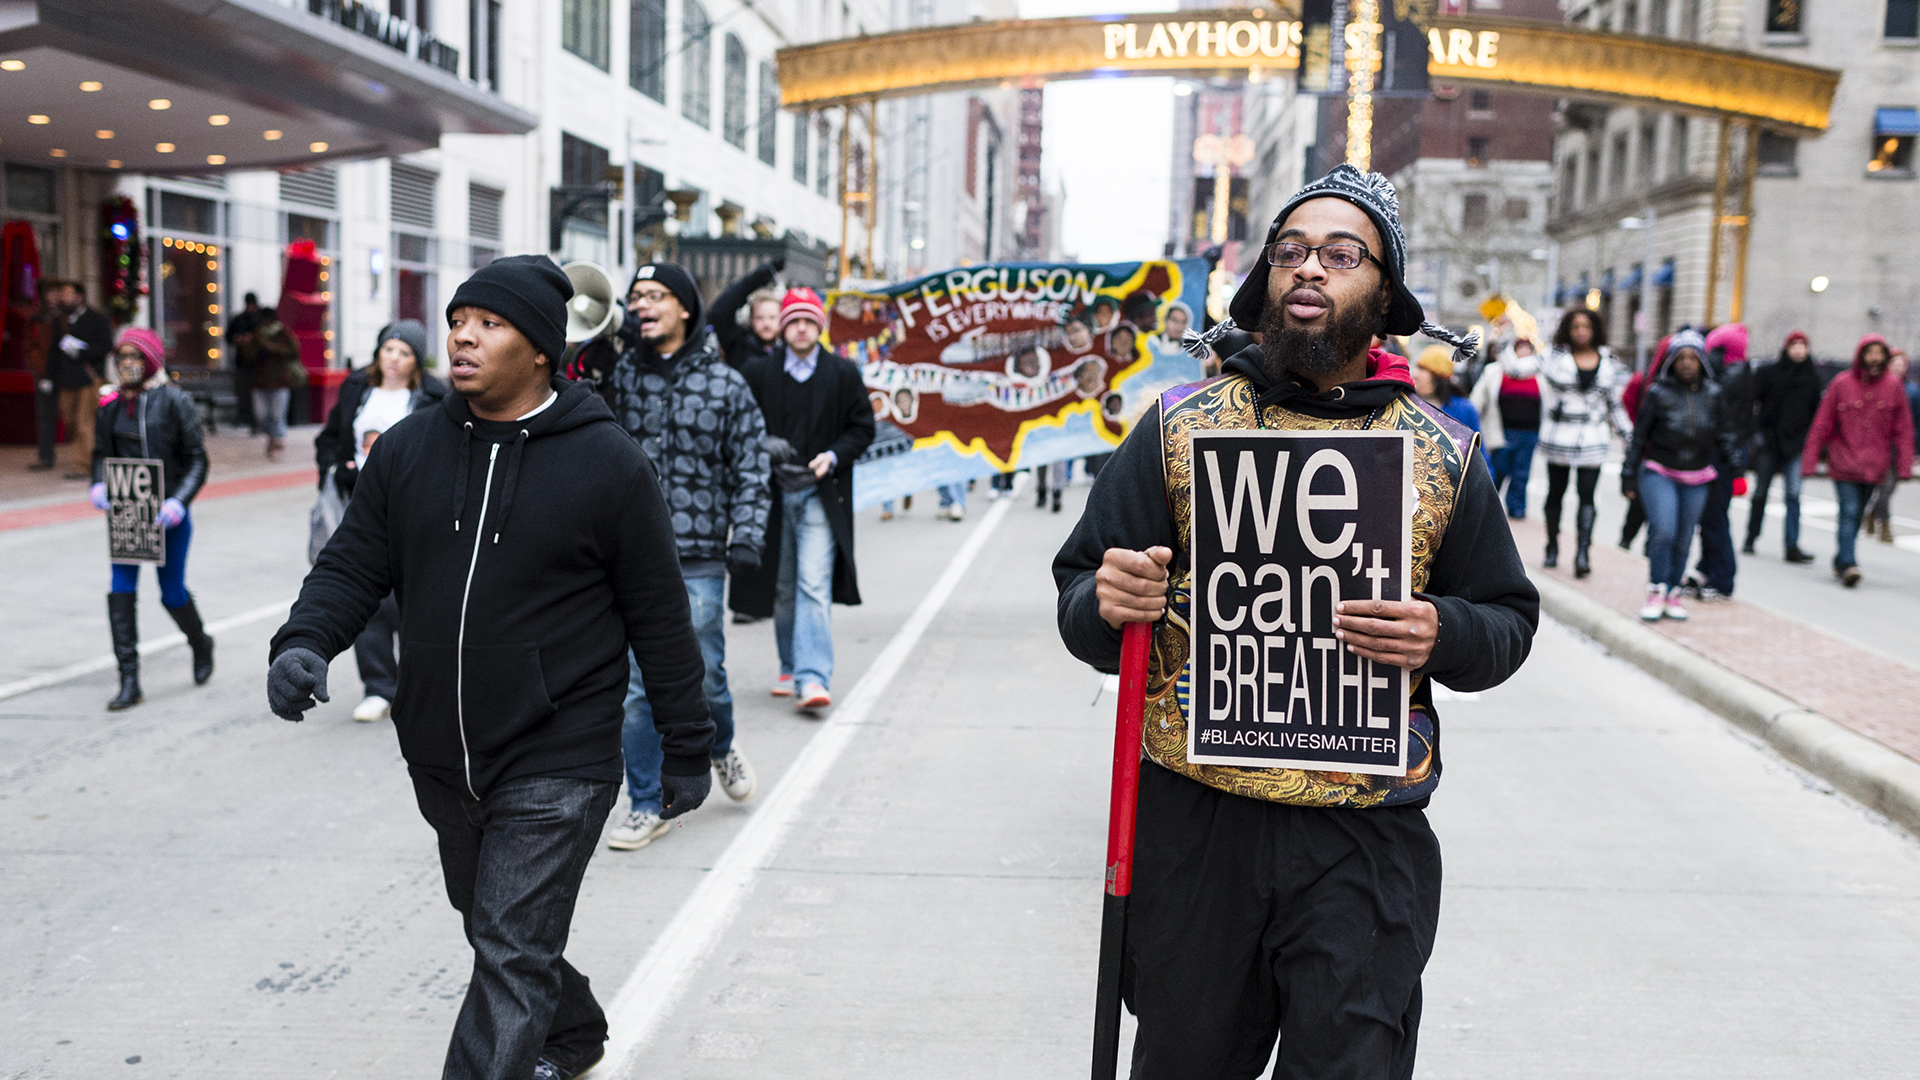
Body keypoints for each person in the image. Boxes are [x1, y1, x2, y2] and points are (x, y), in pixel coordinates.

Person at [1056, 165, 1537, 1080]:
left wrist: (1442, 631)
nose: (1310, 268)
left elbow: (1507, 622)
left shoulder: (1442, 452)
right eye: (1290, 252)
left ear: (1384, 292)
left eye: (1340, 254)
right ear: (1264, 280)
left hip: (1364, 835)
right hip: (1197, 827)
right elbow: (1084, 596)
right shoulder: (1177, 430)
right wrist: (1106, 602)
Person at [266, 256, 713, 1080]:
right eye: (457, 319)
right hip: (441, 750)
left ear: (542, 348)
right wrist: (303, 642)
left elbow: (658, 611)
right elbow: (353, 564)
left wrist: (688, 742)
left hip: (559, 750)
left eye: (489, 323)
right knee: (501, 929)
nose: (462, 336)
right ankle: (571, 1032)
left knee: (508, 948)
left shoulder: (608, 463)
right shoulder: (407, 451)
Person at [596, 260, 770, 850]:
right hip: (631, 555)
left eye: (656, 296)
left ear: (686, 309)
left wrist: (746, 535)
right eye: (636, 296)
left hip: (698, 557)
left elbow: (751, 468)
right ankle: (648, 803)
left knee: (706, 678)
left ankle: (718, 744)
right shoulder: (618, 377)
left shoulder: (726, 385)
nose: (642, 305)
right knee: (638, 687)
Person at [734, 288, 875, 711]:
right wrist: (763, 443)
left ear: (820, 327)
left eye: (809, 321)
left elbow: (862, 427)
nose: (800, 327)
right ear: (782, 327)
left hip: (820, 494)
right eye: (793, 320)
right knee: (782, 587)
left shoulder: (842, 373)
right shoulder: (759, 372)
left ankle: (813, 678)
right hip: (773, 496)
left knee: (813, 583)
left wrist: (832, 456)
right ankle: (790, 666)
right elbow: (739, 424)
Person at [312, 320, 447, 723]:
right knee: (365, 595)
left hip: (413, 509)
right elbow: (329, 440)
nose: (394, 359)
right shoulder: (357, 389)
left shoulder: (433, 398)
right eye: (389, 349)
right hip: (360, 504)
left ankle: (416, 683)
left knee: (412, 597)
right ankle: (378, 686)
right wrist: (336, 471)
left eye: (405, 353)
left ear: (416, 362)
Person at [87, 327, 213, 710]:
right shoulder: (109, 406)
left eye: (135, 356)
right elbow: (100, 454)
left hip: (167, 515)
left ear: (151, 360)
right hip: (127, 515)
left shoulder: (174, 401)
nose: (128, 364)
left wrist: (179, 501)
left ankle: (200, 642)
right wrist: (98, 486)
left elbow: (197, 457)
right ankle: (129, 680)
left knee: (171, 592)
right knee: (120, 589)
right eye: (122, 356)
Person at [1623, 329, 1743, 621]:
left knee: (1684, 537)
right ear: (1671, 361)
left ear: (1702, 360)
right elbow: (1639, 438)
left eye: (1693, 357)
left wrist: (1737, 469)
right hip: (1660, 470)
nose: (1687, 363)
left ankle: (1673, 591)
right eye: (1681, 357)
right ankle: (1656, 589)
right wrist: (1628, 476)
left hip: (1697, 476)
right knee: (1663, 530)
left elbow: (1725, 434)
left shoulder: (1713, 394)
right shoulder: (1657, 393)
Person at [1800, 333, 1914, 588]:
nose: (1874, 358)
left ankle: (1842, 558)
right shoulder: (1842, 383)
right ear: (1861, 355)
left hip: (1875, 465)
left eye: (1879, 353)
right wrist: (1809, 461)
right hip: (1844, 461)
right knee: (1849, 511)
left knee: (1858, 512)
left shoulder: (1894, 387)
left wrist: (1905, 465)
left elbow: (1903, 428)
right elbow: (1822, 424)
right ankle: (1849, 563)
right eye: (1870, 352)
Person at [1536, 308, 1631, 578]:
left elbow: (1615, 405)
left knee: (1587, 497)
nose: (1581, 332)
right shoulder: (1553, 357)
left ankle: (1582, 553)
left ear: (1595, 330)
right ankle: (1552, 545)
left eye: (1586, 326)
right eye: (1575, 326)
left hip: (1592, 438)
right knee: (1556, 493)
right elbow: (1518, 368)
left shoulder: (1609, 361)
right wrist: (1507, 336)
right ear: (1567, 329)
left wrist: (1629, 437)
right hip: (1559, 436)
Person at [1683, 322, 1755, 600]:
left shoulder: (1729, 378)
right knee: (1710, 516)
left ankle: (1723, 578)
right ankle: (1706, 568)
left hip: (1722, 457)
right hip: (1724, 455)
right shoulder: (1734, 374)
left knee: (1714, 518)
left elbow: (1719, 420)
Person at [1746, 330, 1822, 563]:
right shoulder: (1769, 372)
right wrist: (1756, 435)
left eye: (1803, 346)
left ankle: (1792, 546)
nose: (1799, 350)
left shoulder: (1813, 377)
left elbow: (1817, 413)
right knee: (1761, 492)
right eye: (1794, 345)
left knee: (1793, 494)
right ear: (1786, 348)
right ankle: (1751, 537)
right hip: (1769, 442)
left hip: (1797, 444)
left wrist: (1812, 444)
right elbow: (1752, 403)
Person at [41, 280, 114, 479]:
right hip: (67, 380)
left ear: (79, 297)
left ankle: (83, 465)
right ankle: (90, 456)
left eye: (68, 294)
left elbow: (107, 346)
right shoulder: (61, 321)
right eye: (62, 294)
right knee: (71, 421)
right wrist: (48, 377)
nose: (64, 298)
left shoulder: (97, 318)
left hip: (88, 380)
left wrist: (82, 352)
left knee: (84, 423)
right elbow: (53, 352)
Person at [1486, 324, 1543, 518]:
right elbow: (1480, 399)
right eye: (1520, 348)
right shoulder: (1498, 371)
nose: (1524, 351)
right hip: (1504, 430)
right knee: (1499, 470)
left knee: (1521, 474)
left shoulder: (1539, 375)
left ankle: (1517, 509)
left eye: (1528, 348)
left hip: (1529, 432)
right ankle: (1490, 509)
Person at [1862, 348, 1911, 545]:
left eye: (1902, 364)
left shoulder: (1912, 391)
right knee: (1883, 487)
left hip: (1899, 448)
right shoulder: (1878, 387)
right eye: (1895, 363)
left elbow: (1914, 424)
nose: (1898, 367)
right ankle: (1886, 525)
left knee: (1889, 489)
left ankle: (1872, 513)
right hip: (1879, 447)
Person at [708, 256, 785, 369]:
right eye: (760, 318)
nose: (766, 323)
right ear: (751, 319)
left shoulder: (789, 350)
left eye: (772, 317)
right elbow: (719, 312)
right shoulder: (738, 345)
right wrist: (756, 279)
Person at [249, 307, 301, 459]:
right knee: (261, 416)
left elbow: (294, 352)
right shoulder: (256, 335)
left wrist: (276, 348)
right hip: (260, 381)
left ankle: (277, 443)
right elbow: (247, 355)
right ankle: (273, 438)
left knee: (278, 415)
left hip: (280, 381)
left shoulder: (283, 333)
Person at [1413, 344, 1483, 435]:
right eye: (1418, 368)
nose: (1415, 374)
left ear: (1437, 377)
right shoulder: (1408, 404)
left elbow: (1477, 446)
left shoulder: (1463, 409)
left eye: (1422, 369)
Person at [227, 291, 263, 431]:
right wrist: (239, 339)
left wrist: (252, 339)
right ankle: (245, 417)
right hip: (242, 362)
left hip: (258, 364)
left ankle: (256, 422)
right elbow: (228, 337)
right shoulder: (239, 319)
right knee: (242, 392)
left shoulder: (261, 318)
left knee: (257, 395)